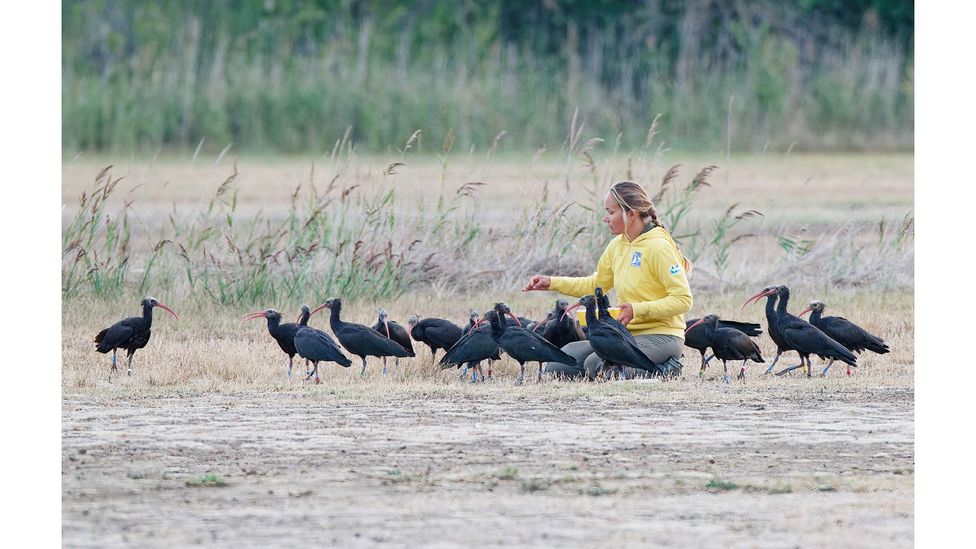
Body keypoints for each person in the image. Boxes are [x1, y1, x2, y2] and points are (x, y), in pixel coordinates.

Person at [523, 181, 692, 380]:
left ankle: (666, 369)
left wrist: (637, 310)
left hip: (662, 336)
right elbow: (595, 286)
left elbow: (683, 300)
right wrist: (551, 282)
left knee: (597, 366)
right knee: (559, 364)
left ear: (631, 214)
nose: (606, 218)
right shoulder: (617, 246)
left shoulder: (659, 247)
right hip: (623, 336)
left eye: (611, 212)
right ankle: (622, 368)